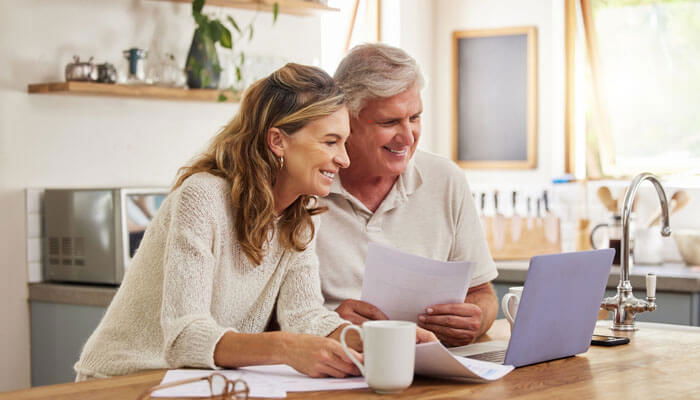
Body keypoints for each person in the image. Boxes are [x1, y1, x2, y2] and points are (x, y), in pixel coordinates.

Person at [75, 63, 389, 381]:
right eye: (330, 142)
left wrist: (376, 342)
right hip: (124, 379)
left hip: (195, 383)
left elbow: (303, 314)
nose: (344, 159)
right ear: (278, 141)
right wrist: (285, 348)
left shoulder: (301, 213)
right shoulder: (203, 197)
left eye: (344, 143)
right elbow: (185, 337)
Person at [316, 44, 499, 347]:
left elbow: (483, 294)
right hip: (336, 369)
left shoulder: (446, 179)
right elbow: (265, 317)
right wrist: (327, 324)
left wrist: (476, 319)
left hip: (431, 368)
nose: (408, 136)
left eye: (414, 118)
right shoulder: (307, 185)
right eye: (389, 122)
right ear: (346, 119)